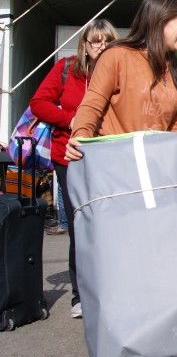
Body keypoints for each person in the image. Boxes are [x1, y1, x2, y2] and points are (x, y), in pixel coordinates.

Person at [30, 19, 118, 318]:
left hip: (107, 156)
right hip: (70, 156)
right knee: (80, 225)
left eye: (107, 41)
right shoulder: (67, 68)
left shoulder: (117, 69)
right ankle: (80, 295)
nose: (102, 47)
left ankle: (109, 287)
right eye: (96, 41)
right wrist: (73, 120)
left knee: (108, 225)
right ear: (85, 44)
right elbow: (39, 102)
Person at [67, 0, 177, 146]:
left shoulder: (175, 67)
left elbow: (174, 124)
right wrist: (80, 138)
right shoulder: (117, 56)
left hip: (154, 163)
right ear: (161, 21)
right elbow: (92, 104)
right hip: (116, 161)